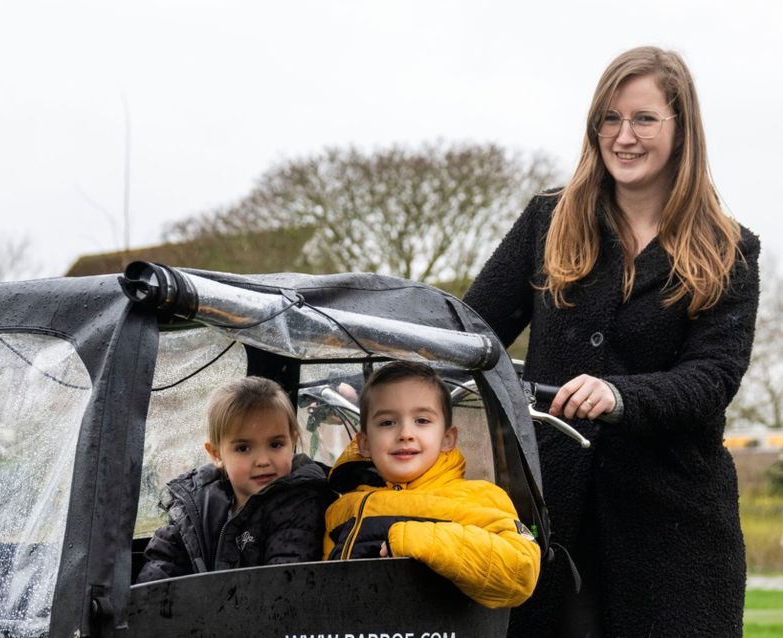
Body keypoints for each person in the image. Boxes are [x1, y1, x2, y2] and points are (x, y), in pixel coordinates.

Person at [463, 46, 760, 636]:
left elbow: (712, 378)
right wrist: (386, 374)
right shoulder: (548, 220)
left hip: (674, 529)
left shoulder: (730, 249)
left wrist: (619, 395)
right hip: (549, 521)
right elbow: (470, 332)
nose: (624, 136)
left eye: (645, 119)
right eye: (610, 119)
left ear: (682, 128)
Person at [323, 361, 541, 609]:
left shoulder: (478, 497)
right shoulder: (342, 508)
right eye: (387, 422)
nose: (405, 433)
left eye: (422, 420)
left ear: (447, 439)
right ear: (364, 444)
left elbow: (521, 572)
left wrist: (420, 540)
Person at [137, 376, 333, 582]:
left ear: (292, 441)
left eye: (275, 444)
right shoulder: (195, 507)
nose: (263, 461)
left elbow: (282, 587)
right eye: (243, 448)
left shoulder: (301, 504)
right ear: (216, 454)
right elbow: (159, 574)